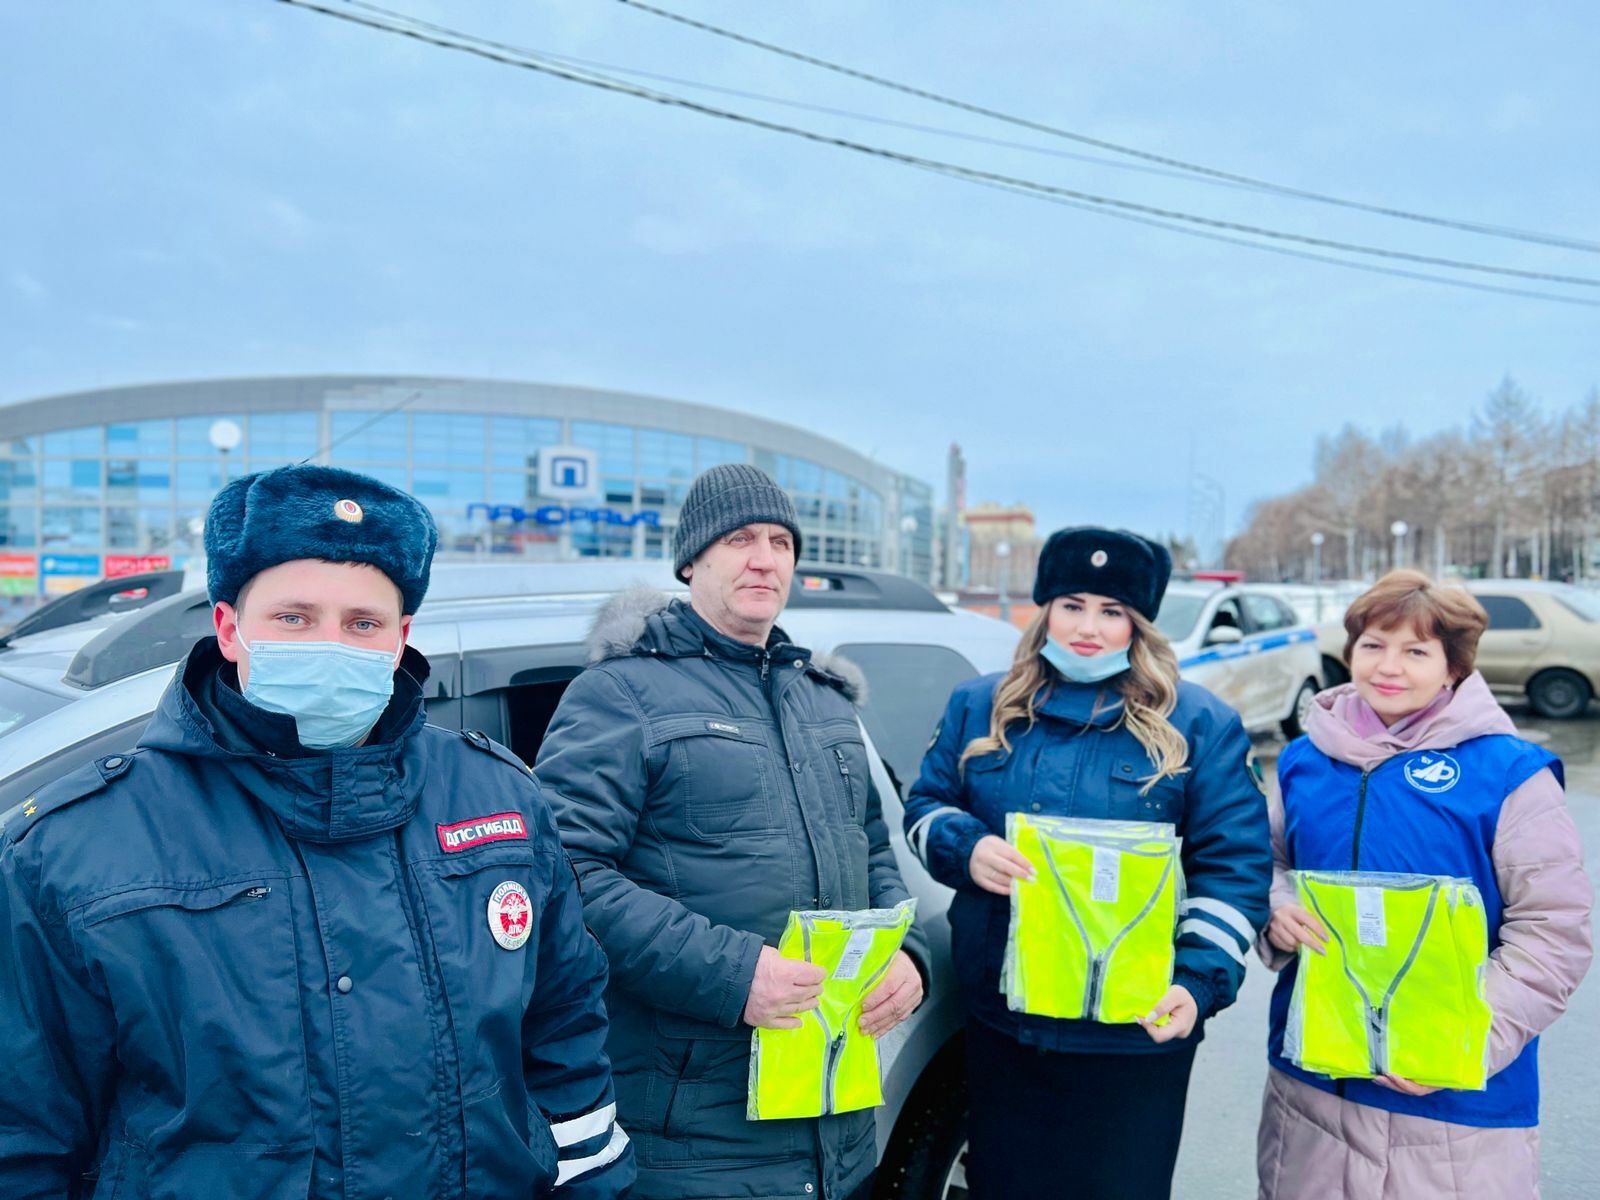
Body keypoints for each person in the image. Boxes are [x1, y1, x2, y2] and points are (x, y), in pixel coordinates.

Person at [0, 464, 632, 1200]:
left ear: (400, 640)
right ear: (230, 629)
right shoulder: (81, 844)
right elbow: (25, 1132)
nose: (330, 645)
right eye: (294, 618)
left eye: (362, 624)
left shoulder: (501, 797)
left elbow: (564, 1035)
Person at [535, 463, 927, 1200]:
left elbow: (875, 849)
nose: (765, 558)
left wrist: (907, 953)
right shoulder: (620, 692)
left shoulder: (825, 699)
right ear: (692, 561)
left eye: (781, 541)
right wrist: (734, 974)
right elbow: (567, 875)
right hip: (695, 1136)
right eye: (741, 538)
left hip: (835, 1122)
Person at [902, 526, 1272, 1200]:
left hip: (1134, 1033)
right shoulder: (979, 705)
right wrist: (966, 845)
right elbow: (924, 805)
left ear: (1139, 622)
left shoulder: (1198, 723)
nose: (1088, 628)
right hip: (1004, 1020)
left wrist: (1196, 982)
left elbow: (1235, 869)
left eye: (1112, 611)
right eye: (1072, 604)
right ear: (1044, 608)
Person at [1257, 570, 1593, 1198]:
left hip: (1452, 1113)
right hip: (1312, 1088)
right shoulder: (1306, 760)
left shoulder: (1508, 774)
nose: (1390, 667)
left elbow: (1554, 933)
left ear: (1453, 668)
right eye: (1373, 645)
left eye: (1416, 651)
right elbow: (1271, 865)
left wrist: (1459, 1043)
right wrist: (1277, 906)